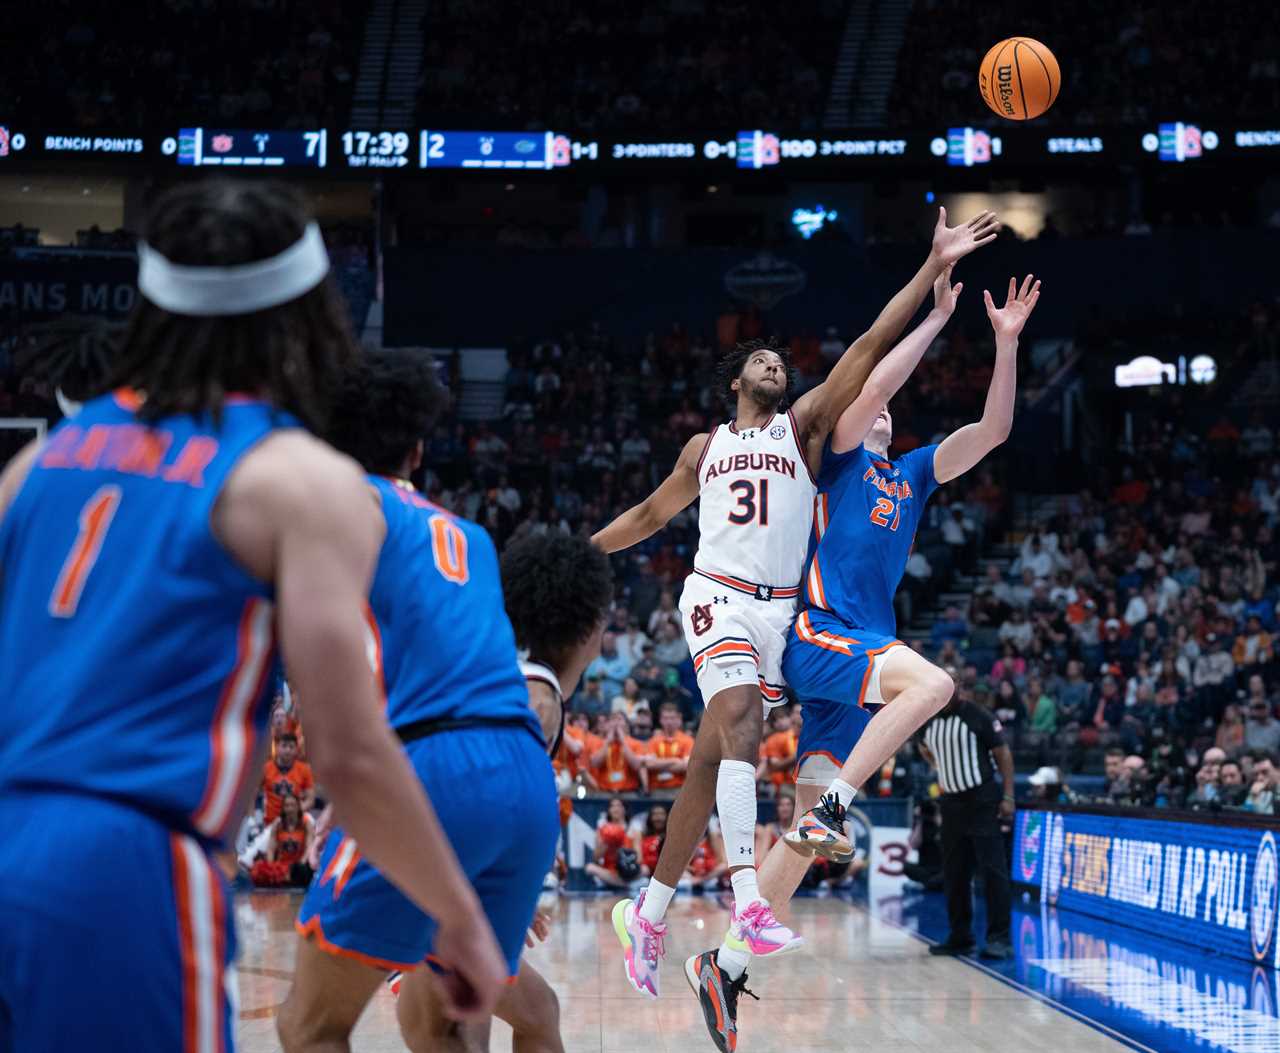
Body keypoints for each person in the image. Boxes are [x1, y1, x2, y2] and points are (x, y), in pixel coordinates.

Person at [0, 182, 513, 1052]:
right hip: (123, 866)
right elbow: (347, 752)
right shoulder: (298, 481)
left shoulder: (39, 460)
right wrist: (457, 914)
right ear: (312, 312)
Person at [599, 207, 1001, 1003]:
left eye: (782, 361)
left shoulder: (804, 427)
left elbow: (868, 352)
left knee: (713, 758)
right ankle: (746, 897)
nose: (776, 366)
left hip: (784, 614)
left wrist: (928, 273)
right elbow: (648, 517)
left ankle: (649, 911)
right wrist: (581, 554)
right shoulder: (703, 448)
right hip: (717, 597)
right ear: (735, 382)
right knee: (743, 718)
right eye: (762, 360)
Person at [688, 267, 1037, 1051]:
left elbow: (994, 431)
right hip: (822, 632)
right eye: (873, 408)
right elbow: (876, 378)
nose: (882, 413)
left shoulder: (910, 473)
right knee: (937, 683)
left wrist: (1005, 344)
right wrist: (939, 319)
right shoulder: (838, 455)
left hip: (859, 655)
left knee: (810, 846)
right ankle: (840, 798)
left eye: (886, 414)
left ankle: (725, 961)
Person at [281, 349, 557, 1052]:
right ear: (418, 444)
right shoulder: (471, 535)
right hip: (526, 778)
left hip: (434, 767)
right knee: (444, 1026)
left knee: (309, 1025)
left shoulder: (351, 502)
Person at [918, 687, 1015, 959]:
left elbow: (1003, 754)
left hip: (982, 799)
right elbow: (924, 747)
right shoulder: (928, 718)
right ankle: (960, 936)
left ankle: (1000, 938)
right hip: (951, 804)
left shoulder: (977, 715)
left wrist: (1008, 795)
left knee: (993, 871)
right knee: (954, 872)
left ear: (957, 690)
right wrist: (941, 769)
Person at [262, 730, 316, 822]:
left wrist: (296, 810)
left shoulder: (304, 769)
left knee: (311, 821)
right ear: (277, 747)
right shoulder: (266, 768)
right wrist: (254, 818)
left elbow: (310, 799)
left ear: (296, 750)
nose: (287, 750)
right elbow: (251, 793)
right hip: (270, 821)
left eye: (291, 747)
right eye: (284, 746)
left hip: (294, 822)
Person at [646, 701, 695, 794]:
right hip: (656, 790)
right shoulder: (653, 741)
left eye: (672, 718)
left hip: (679, 790)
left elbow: (686, 766)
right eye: (665, 718)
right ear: (660, 720)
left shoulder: (688, 741)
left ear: (679, 719)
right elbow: (649, 764)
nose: (669, 722)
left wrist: (658, 765)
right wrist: (675, 761)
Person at [587, 798, 637, 888]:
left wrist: (624, 849)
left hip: (627, 869)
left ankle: (614, 882)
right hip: (609, 870)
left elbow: (639, 858)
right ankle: (626, 885)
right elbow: (596, 858)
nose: (615, 809)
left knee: (645, 869)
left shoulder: (633, 831)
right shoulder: (602, 830)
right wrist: (607, 843)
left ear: (625, 809)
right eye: (612, 806)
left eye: (619, 806)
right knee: (590, 868)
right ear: (609, 810)